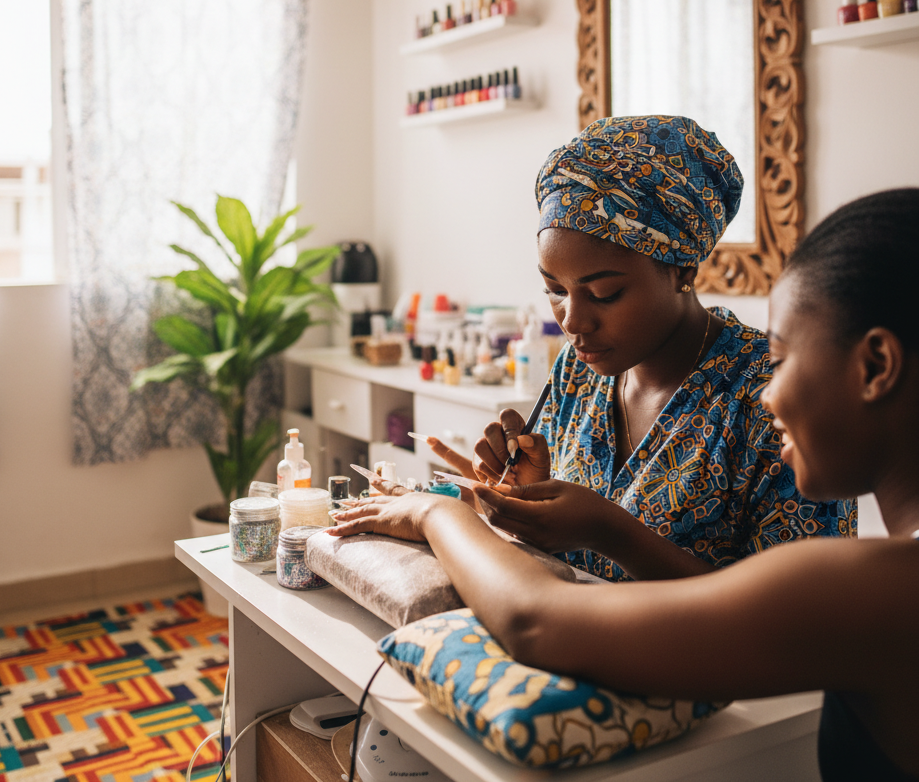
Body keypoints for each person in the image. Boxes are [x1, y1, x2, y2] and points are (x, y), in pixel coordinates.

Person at [329, 188, 919, 780]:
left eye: (784, 359)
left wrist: (435, 513)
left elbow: (540, 622)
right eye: (555, 291)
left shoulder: (877, 590)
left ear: (875, 367)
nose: (769, 392)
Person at [428, 115, 854, 580]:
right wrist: (523, 498)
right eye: (554, 289)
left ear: (684, 271)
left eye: (605, 293)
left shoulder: (774, 399)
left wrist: (612, 533)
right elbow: (564, 567)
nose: (572, 321)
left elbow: (805, 623)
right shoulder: (578, 369)